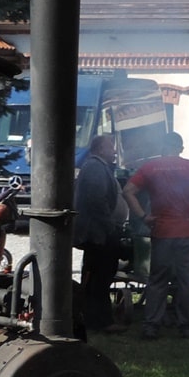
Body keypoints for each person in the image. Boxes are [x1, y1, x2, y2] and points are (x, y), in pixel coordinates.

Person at [123, 132, 189, 340]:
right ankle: (187, 326)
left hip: (161, 232)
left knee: (158, 281)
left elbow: (128, 191)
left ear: (161, 147)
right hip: (186, 233)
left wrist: (143, 216)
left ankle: (151, 326)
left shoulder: (150, 167)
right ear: (180, 148)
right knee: (186, 281)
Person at [74, 133, 129, 333]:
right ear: (99, 149)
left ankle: (91, 317)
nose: (114, 151)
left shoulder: (96, 167)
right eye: (110, 147)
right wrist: (110, 229)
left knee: (96, 277)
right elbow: (97, 201)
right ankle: (101, 321)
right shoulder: (96, 168)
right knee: (100, 278)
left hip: (98, 232)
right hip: (98, 234)